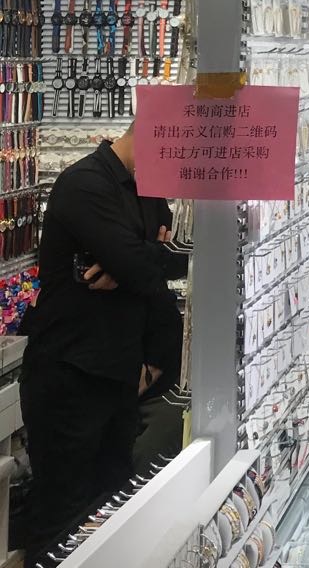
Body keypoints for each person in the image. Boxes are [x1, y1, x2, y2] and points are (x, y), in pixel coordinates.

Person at [18, 121, 188, 566]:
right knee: (63, 518)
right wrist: (135, 261)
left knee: (111, 511)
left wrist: (127, 263)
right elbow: (147, 266)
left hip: (118, 374)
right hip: (69, 376)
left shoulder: (148, 189)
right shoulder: (83, 185)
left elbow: (168, 259)